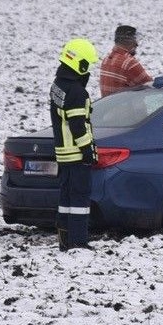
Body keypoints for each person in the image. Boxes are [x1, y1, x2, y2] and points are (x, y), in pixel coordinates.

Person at [50, 38, 100, 250]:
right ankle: (78, 242)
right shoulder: (77, 92)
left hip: (63, 153)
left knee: (66, 199)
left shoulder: (58, 85)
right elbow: (78, 125)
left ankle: (65, 241)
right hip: (76, 154)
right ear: (80, 64)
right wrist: (87, 150)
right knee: (79, 201)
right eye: (88, 65)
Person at [99, 25, 152, 96]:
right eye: (135, 40)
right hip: (126, 103)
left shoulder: (106, 60)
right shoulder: (129, 63)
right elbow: (150, 86)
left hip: (108, 102)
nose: (137, 44)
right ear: (129, 41)